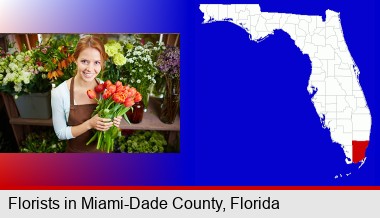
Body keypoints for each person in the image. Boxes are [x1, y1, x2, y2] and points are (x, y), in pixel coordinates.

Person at [51, 35, 122, 152]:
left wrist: (114, 120)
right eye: (84, 61)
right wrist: (89, 124)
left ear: (102, 63)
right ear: (75, 60)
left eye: (96, 62)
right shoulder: (60, 93)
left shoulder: (106, 88)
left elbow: (110, 128)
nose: (90, 68)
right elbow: (60, 133)